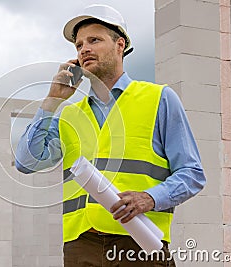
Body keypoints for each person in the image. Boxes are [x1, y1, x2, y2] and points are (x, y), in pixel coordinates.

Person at [15, 4, 206, 267]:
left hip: (138, 241)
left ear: (120, 45)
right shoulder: (69, 114)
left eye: (94, 40)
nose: (84, 49)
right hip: (81, 247)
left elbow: (192, 173)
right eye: (79, 45)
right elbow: (26, 162)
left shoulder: (158, 99)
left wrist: (150, 198)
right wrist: (51, 100)